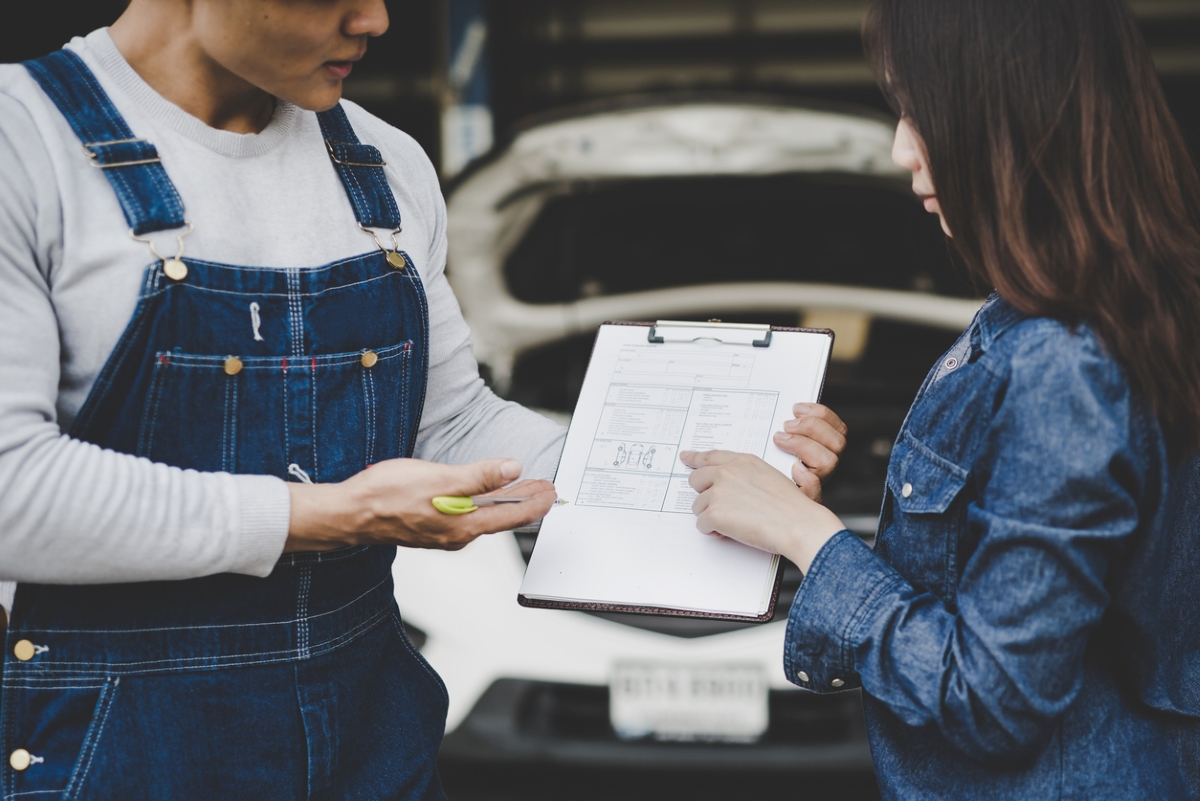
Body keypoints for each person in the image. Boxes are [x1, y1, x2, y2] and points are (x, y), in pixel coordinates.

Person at [0, 1, 844, 797]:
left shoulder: (382, 164)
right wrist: (329, 515)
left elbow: (456, 422)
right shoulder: (23, 141)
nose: (375, 19)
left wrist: (711, 479)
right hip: (122, 748)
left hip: (370, 738)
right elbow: (13, 490)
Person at [680, 0, 1200, 798]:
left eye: (916, 110)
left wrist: (810, 537)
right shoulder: (1061, 319)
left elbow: (993, 699)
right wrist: (792, 515)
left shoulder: (1066, 366)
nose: (898, 148)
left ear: (1002, 117)